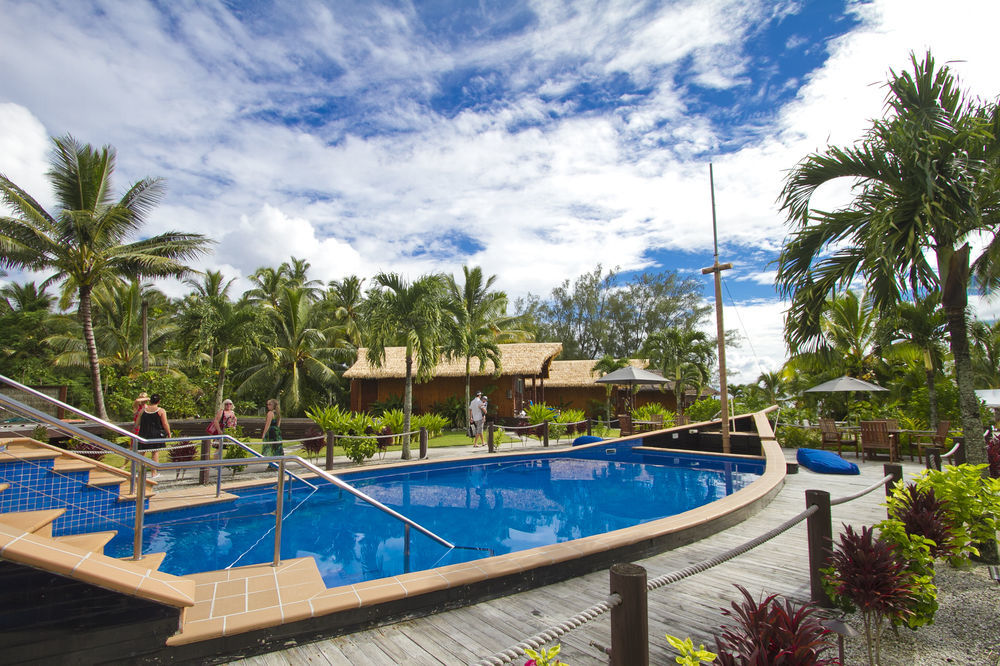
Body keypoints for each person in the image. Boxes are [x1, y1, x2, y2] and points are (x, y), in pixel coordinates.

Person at [135, 393, 170, 477]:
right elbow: (165, 424)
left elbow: (137, 423)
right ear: (159, 401)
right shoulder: (161, 410)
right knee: (154, 453)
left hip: (143, 434)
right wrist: (168, 433)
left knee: (142, 453)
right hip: (155, 434)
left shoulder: (143, 410)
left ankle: (140, 473)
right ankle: (154, 473)